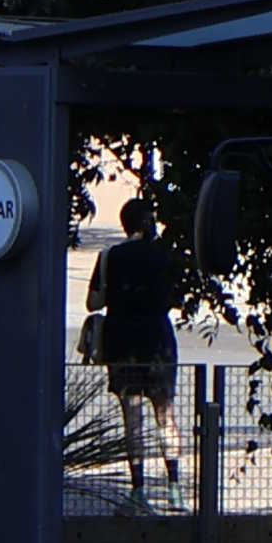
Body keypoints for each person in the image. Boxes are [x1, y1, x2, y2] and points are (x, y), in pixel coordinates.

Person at [87, 196, 180, 498]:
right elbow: (172, 297)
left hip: (123, 340)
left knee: (134, 417)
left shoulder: (109, 257)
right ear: (147, 222)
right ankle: (174, 483)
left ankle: (138, 487)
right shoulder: (163, 256)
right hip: (157, 340)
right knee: (165, 414)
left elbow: (94, 302)